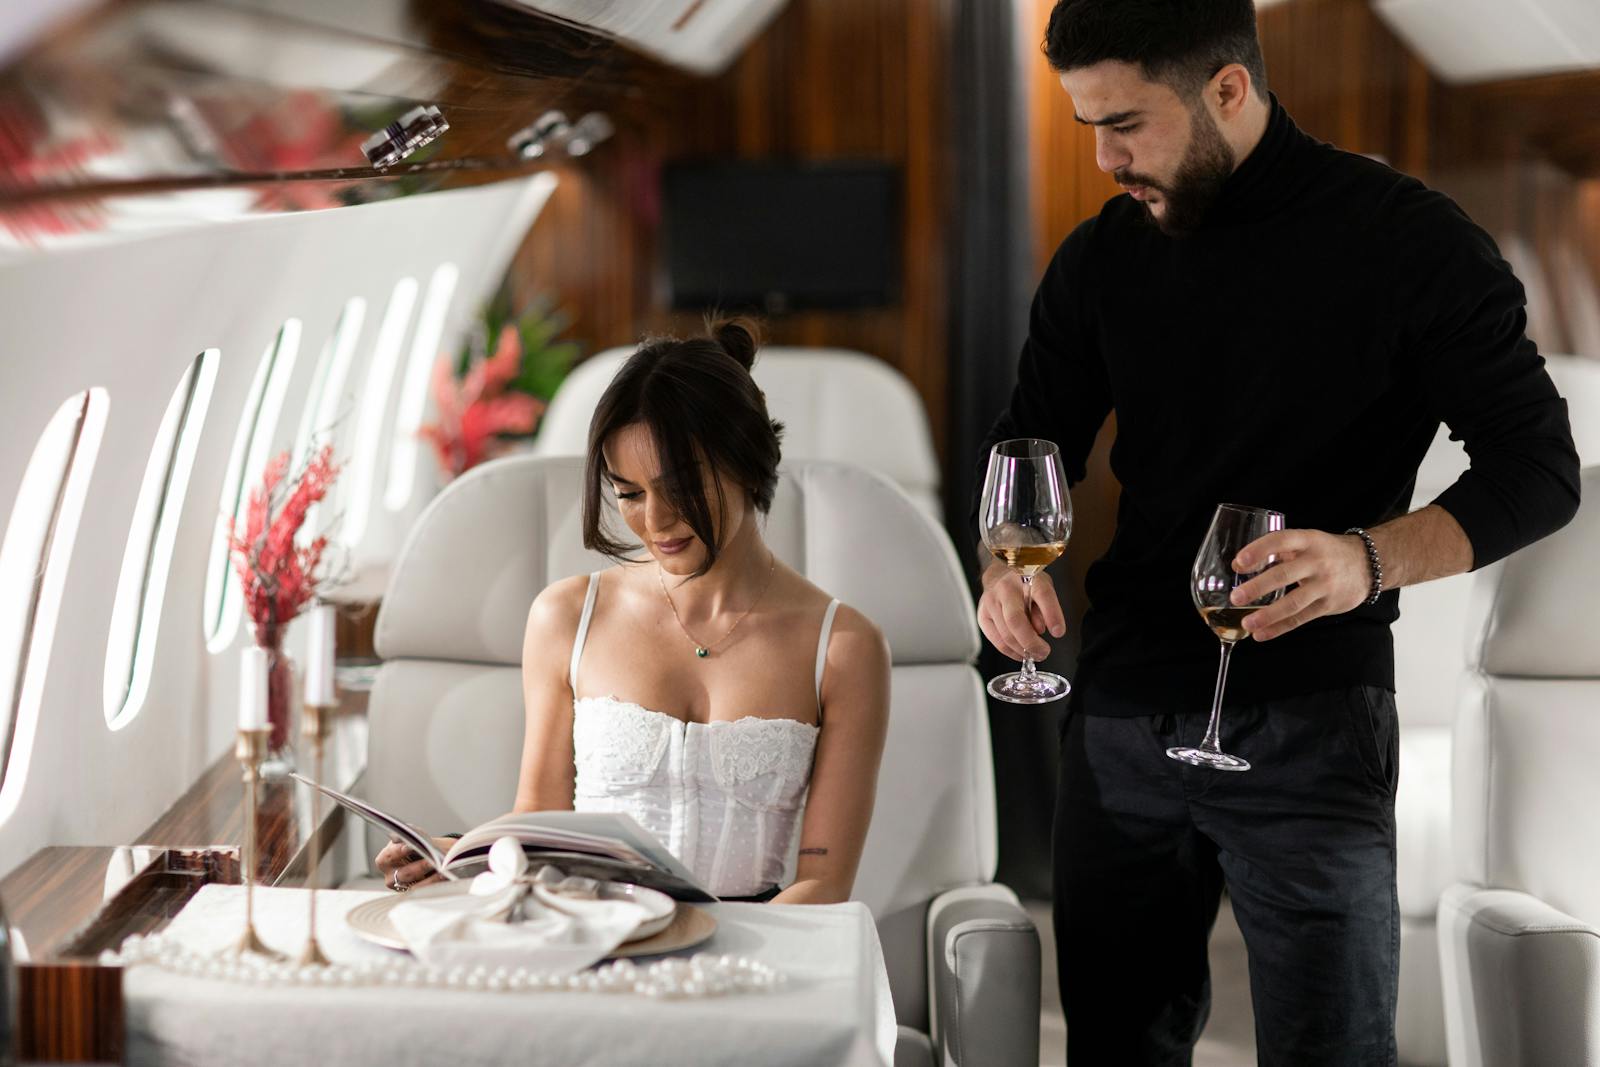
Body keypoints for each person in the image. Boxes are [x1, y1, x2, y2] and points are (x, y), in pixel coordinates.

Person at [974, 2, 1581, 1063]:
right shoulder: (1099, 259)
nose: (1108, 158)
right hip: (1121, 710)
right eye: (1088, 129)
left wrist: (1367, 558)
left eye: (1127, 123)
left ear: (1227, 89)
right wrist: (1003, 568)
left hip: (1317, 716)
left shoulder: (1411, 242)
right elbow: (1030, 444)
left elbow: (1537, 466)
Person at [378, 319, 891, 905]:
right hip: (594, 943)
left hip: (759, 956)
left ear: (747, 463)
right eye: (629, 493)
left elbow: (823, 882)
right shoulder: (565, 618)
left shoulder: (844, 647)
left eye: (682, 485)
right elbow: (539, 830)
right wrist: (452, 855)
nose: (656, 519)